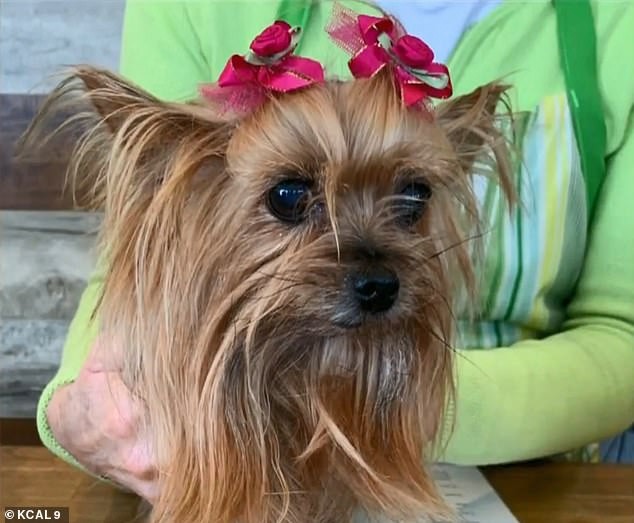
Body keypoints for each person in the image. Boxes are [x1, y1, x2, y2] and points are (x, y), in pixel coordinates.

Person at [38, 0, 634, 502]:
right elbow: (132, 272)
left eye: (410, 201)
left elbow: (621, 331)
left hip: (540, 484)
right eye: (292, 200)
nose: (372, 269)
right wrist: (80, 408)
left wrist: (407, 403)